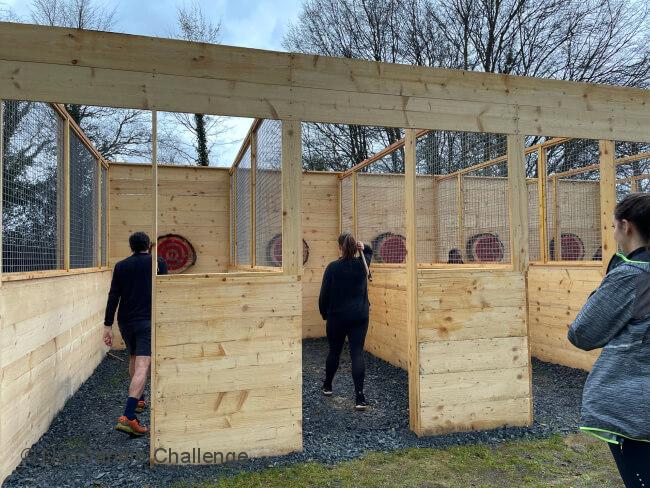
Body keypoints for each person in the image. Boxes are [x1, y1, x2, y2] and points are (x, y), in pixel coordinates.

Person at [568, 193, 650, 488]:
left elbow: (583, 333)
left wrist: (607, 284)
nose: (613, 233)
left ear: (626, 227)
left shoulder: (632, 276)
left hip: (638, 411)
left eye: (614, 226)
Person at [103, 232, 168, 436]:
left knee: (133, 357)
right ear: (148, 245)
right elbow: (166, 291)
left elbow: (114, 296)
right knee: (143, 364)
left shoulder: (121, 266)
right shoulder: (158, 262)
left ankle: (139, 400)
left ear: (131, 247)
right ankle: (129, 416)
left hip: (125, 321)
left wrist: (107, 325)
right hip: (147, 321)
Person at [319, 233, 373, 411]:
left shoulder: (333, 268)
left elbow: (324, 295)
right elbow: (369, 252)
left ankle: (327, 386)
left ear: (339, 247)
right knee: (357, 354)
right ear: (354, 247)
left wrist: (325, 314)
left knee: (334, 351)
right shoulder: (362, 266)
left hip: (337, 317)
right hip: (359, 316)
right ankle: (359, 397)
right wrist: (363, 246)